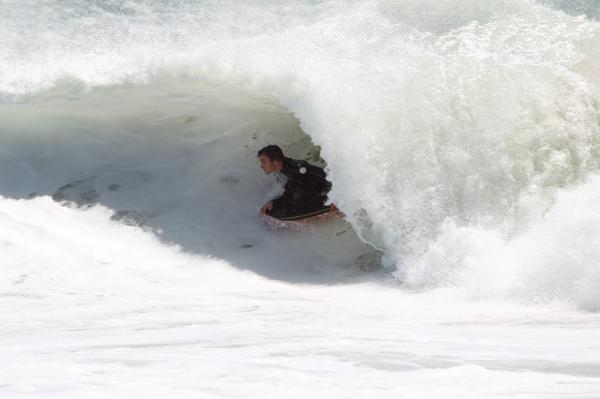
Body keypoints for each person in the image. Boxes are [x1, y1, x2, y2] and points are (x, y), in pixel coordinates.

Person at [257, 144, 332, 219]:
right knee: (273, 209)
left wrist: (278, 204)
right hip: (317, 190)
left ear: (276, 161)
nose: (261, 165)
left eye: (264, 161)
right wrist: (273, 202)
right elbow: (290, 190)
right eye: (261, 162)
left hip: (329, 194)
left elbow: (300, 196)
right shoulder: (284, 169)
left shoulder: (295, 171)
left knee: (274, 212)